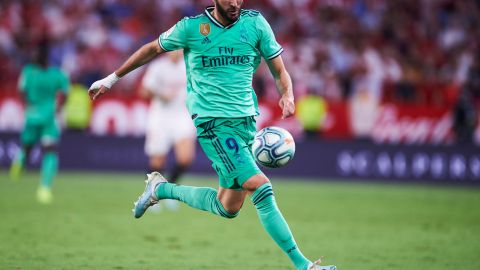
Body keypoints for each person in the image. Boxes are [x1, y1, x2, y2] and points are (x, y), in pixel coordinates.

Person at [88, 1, 336, 269]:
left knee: (227, 207)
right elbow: (151, 49)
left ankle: (161, 189)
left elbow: (279, 70)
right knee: (261, 186)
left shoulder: (255, 24)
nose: (235, 3)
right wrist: (111, 79)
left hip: (246, 125)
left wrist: (287, 94)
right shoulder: (191, 28)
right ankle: (303, 265)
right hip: (214, 124)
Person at [9, 41, 70, 204]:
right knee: (41, 150)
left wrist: (26, 105)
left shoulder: (28, 72)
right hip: (46, 116)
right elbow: (65, 92)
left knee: (45, 150)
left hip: (35, 116)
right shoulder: (55, 73)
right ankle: (39, 182)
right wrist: (59, 107)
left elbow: (21, 90)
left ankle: (43, 186)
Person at [140, 50, 196, 210]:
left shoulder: (189, 66)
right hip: (160, 117)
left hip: (181, 115)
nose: (176, 51)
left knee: (186, 158)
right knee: (157, 161)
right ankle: (151, 195)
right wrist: (161, 94)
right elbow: (143, 91)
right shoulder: (158, 67)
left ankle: (170, 190)